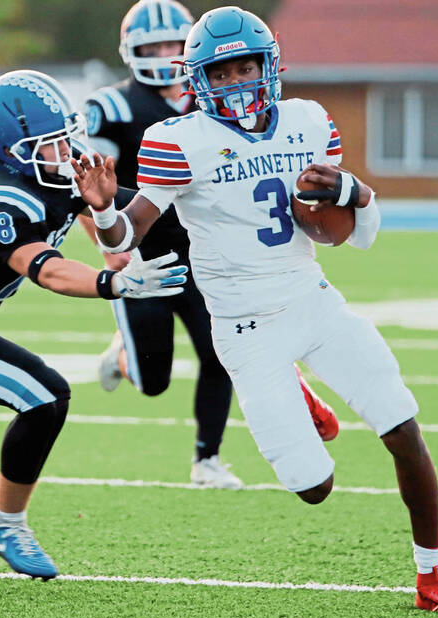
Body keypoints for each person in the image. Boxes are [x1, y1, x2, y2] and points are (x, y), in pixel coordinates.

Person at [71, 6, 438, 615]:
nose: (238, 82)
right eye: (224, 71)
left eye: (247, 67)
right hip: (244, 328)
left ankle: (433, 574)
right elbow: (123, 241)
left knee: (403, 426)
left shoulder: (308, 121)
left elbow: (347, 230)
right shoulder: (176, 140)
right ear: (200, 79)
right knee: (314, 487)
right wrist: (105, 212)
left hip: (313, 300)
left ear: (271, 66)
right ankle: (292, 383)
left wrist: (358, 193)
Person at [0, 69, 187, 580]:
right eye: (50, 144)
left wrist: (112, 208)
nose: (64, 152)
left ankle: (6, 523)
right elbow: (48, 269)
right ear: (9, 149)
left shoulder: (45, 174)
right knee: (45, 396)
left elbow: (125, 217)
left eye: (66, 138)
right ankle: (7, 524)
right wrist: (115, 284)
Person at [81, 0, 339, 488]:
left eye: (170, 46)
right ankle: (121, 357)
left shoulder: (211, 103)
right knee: (153, 382)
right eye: (150, 46)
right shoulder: (109, 107)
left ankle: (208, 459)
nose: (161, 54)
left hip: (206, 256)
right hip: (143, 256)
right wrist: (108, 243)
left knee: (220, 354)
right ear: (129, 51)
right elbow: (92, 188)